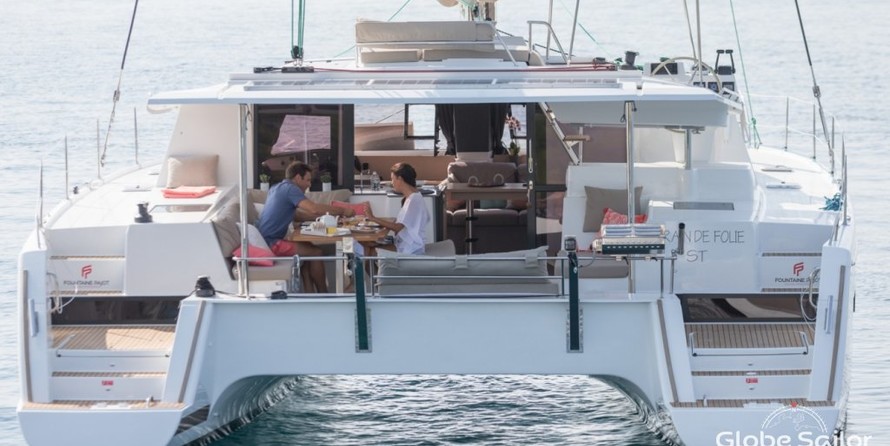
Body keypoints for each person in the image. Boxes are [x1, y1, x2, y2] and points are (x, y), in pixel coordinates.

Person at [256, 161, 355, 292]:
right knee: (316, 252)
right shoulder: (291, 189)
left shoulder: (276, 188)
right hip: (272, 243)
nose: (309, 184)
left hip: (266, 240)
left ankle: (310, 294)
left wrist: (326, 218)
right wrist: (343, 210)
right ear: (298, 178)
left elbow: (297, 216)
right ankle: (324, 294)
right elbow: (314, 208)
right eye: (307, 180)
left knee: (308, 250)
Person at [363, 163, 430, 254]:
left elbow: (398, 228)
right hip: (405, 244)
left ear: (400, 179)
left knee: (370, 252)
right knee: (368, 245)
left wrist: (372, 218)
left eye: (392, 179)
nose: (392, 183)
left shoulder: (413, 200)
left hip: (409, 249)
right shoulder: (414, 196)